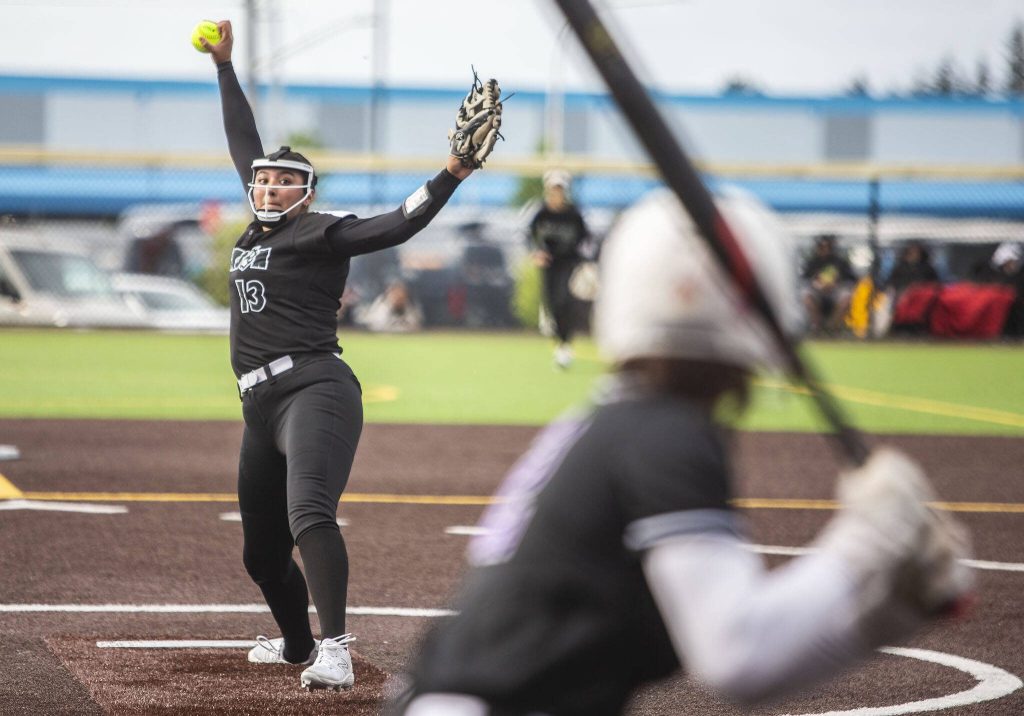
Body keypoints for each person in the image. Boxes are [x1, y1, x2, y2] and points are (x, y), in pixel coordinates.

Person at [391, 190, 972, 716]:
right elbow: (739, 659)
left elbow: (749, 659)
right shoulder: (666, 435)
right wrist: (870, 540)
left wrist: (889, 610)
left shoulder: (627, 418)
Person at [199, 21, 494, 692]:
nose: (269, 186)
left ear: (305, 192)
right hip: (258, 402)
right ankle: (298, 644)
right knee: (262, 555)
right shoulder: (256, 223)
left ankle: (335, 648)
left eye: (284, 181)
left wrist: (452, 171)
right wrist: (224, 66)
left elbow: (399, 222)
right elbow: (241, 136)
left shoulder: (318, 231)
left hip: (315, 389)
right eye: (264, 180)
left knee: (309, 513)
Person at [528, 169, 590, 368]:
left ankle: (565, 343)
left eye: (560, 189)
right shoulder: (541, 212)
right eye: (554, 189)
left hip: (569, 263)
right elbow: (528, 236)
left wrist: (585, 260)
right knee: (553, 304)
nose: (557, 193)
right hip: (549, 265)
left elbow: (586, 238)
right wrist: (536, 252)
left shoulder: (573, 214)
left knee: (564, 300)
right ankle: (561, 344)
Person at [800, 233, 857, 335]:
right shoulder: (812, 262)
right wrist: (816, 284)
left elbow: (852, 279)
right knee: (806, 294)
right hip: (817, 291)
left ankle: (832, 327)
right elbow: (804, 279)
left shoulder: (840, 262)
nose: (824, 249)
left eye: (827, 247)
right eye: (821, 247)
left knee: (847, 296)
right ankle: (816, 326)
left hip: (835, 291)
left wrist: (837, 283)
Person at [356, 279, 424, 333]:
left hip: (406, 340)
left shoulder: (411, 307)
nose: (398, 296)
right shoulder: (381, 307)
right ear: (389, 294)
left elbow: (416, 327)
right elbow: (375, 327)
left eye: (401, 293)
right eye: (395, 293)